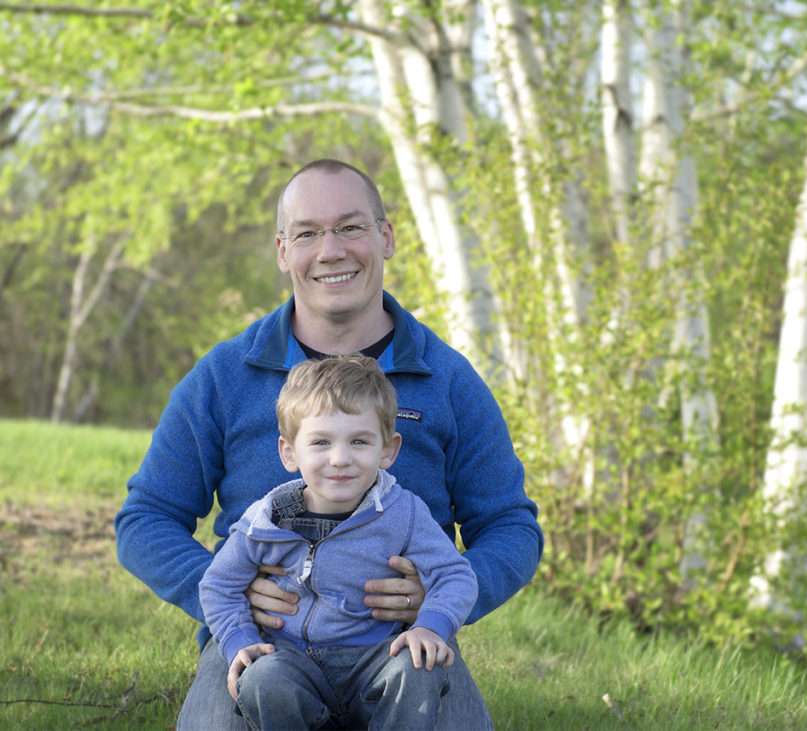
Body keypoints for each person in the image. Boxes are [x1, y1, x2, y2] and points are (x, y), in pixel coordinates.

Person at [115, 159, 543, 730]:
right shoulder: (224, 376)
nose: (331, 250)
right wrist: (225, 596)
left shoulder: (448, 379)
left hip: (404, 653)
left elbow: (512, 527)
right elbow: (145, 518)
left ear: (385, 237)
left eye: (350, 227)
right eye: (308, 233)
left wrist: (439, 603)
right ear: (282, 250)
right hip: (260, 650)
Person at [199, 355, 478, 730]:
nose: (340, 459)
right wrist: (239, 639)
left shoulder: (404, 513)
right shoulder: (265, 520)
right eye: (320, 442)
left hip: (374, 657)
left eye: (359, 441)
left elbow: (454, 575)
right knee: (262, 677)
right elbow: (219, 584)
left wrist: (431, 625)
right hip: (291, 658)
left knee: (418, 668)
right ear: (289, 452)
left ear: (388, 450)